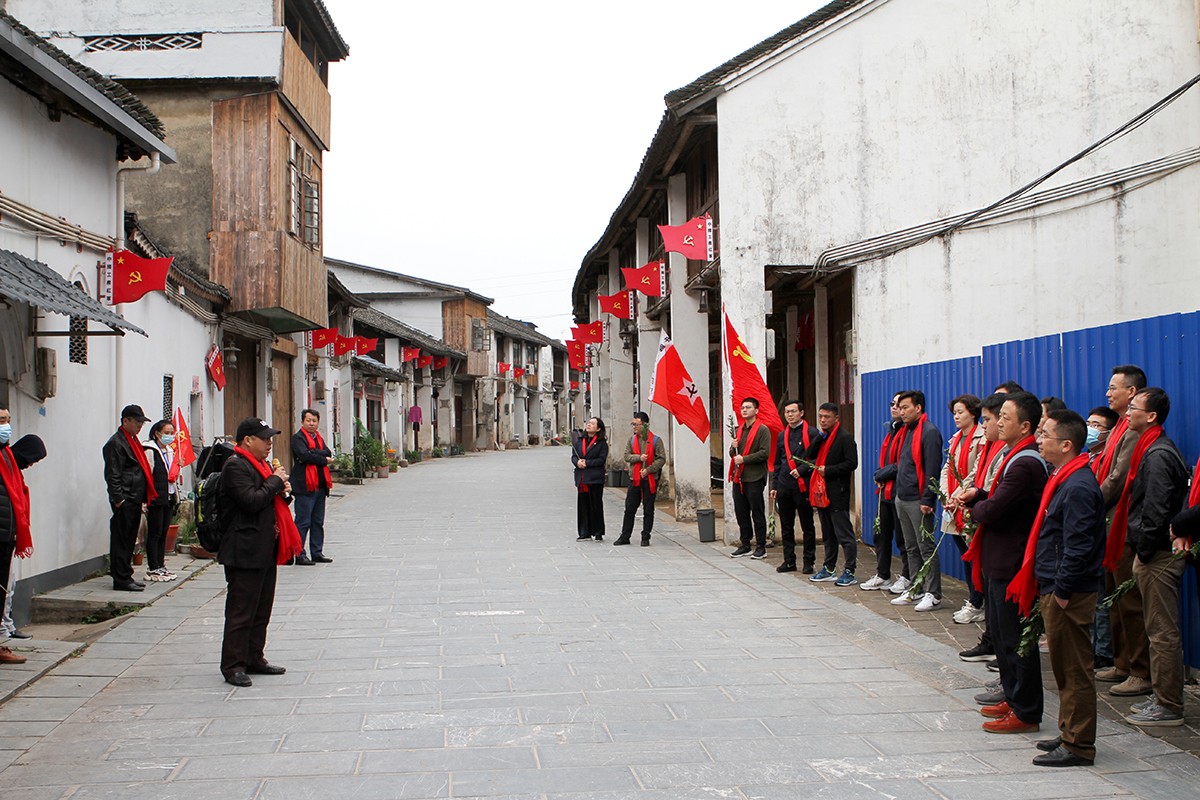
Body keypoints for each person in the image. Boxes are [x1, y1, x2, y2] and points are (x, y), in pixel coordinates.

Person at [1019, 410, 1106, 767]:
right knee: (1064, 667)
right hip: (1057, 585)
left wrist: (1063, 589)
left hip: (1067, 590)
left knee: (1075, 669)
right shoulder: (1065, 478)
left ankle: (1080, 744)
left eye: (1046, 436)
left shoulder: (1079, 485)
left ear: (1067, 445)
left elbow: (1079, 545)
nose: (1040, 440)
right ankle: (1070, 730)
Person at [962, 391, 1048, 734]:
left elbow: (997, 509)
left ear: (1025, 425)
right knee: (1001, 634)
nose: (998, 422)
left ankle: (1026, 710)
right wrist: (980, 495)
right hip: (999, 559)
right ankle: (1013, 698)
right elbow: (995, 498)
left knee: (1015, 639)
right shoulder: (1012, 454)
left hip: (1011, 562)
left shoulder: (1026, 461)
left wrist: (977, 506)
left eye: (1005, 417)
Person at [1119, 388, 1189, 727]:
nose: (1127, 412)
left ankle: (1169, 705)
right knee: (1156, 628)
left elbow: (1157, 508)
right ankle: (1162, 696)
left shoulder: (1158, 454)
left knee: (1162, 632)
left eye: (1133, 407)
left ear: (1151, 416)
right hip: (1152, 550)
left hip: (1158, 554)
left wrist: (1144, 549)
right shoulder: (1150, 449)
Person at [219, 417, 300, 687]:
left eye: (270, 438)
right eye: (264, 438)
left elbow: (270, 499)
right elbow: (251, 501)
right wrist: (275, 482)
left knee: (261, 609)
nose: (269, 443)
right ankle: (233, 665)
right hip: (244, 550)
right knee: (241, 610)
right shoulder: (235, 466)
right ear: (247, 440)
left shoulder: (261, 465)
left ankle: (254, 656)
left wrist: (283, 491)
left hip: (264, 547)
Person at [1094, 365, 1151, 696]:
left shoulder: (1131, 432)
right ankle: (1122, 662)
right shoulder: (1117, 428)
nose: (1108, 393)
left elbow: (1117, 479)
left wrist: (1091, 501)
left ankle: (1140, 671)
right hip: (1109, 525)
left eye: (1114, 387)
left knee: (1128, 601)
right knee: (1114, 598)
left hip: (1123, 526)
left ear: (1131, 392)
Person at [952, 392, 1008, 668]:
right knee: (986, 584)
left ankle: (1001, 648)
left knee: (999, 597)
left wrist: (975, 506)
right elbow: (976, 475)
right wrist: (962, 492)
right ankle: (992, 640)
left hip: (1000, 534)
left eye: (989, 419)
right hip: (980, 518)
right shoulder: (988, 445)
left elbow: (997, 496)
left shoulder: (1015, 455)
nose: (984, 426)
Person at [890, 390, 945, 611]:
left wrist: (928, 499)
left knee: (926, 547)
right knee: (911, 547)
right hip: (902, 497)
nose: (901, 412)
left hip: (918, 500)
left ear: (918, 408)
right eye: (899, 407)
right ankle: (916, 586)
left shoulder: (929, 432)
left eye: (905, 407)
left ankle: (933, 593)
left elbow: (932, 468)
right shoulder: (905, 431)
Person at [940, 394, 986, 623]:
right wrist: (945, 495)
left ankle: (978, 601)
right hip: (953, 505)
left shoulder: (982, 438)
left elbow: (976, 472)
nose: (956, 417)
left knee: (973, 554)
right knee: (964, 554)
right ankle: (974, 598)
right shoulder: (955, 439)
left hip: (968, 503)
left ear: (973, 413)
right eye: (954, 413)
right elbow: (947, 469)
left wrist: (958, 495)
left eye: (961, 412)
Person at [805, 403, 859, 585]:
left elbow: (852, 463)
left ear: (836, 418)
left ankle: (850, 570)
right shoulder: (822, 437)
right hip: (821, 493)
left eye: (827, 417)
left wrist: (829, 470)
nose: (822, 420)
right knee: (828, 534)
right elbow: (809, 454)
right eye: (820, 416)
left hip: (838, 493)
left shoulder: (845, 438)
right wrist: (818, 438)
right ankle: (829, 567)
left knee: (844, 535)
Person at [102, 404, 154, 592]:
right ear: (126, 421)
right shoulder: (116, 443)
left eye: (142, 422)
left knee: (129, 538)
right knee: (121, 539)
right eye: (137, 422)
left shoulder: (132, 441)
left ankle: (126, 574)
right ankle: (121, 578)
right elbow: (113, 474)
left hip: (134, 497)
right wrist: (119, 500)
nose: (140, 426)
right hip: (125, 499)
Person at [1084, 405, 1118, 672]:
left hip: (1102, 534)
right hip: (1091, 535)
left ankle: (1104, 651)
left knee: (1102, 598)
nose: (1090, 429)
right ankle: (1096, 647)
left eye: (1096, 426)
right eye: (1088, 423)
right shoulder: (1088, 459)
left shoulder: (1109, 459)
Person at [1, 435, 44, 643]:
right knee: (5, 586)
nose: (31, 464)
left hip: (10, 535)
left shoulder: (13, 471)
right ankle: (3, 629)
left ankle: (7, 624)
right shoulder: (5, 465)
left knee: (10, 584)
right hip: (4, 535)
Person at [864, 392, 909, 590]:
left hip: (900, 491)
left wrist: (881, 473)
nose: (894, 407)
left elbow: (902, 463)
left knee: (903, 537)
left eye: (899, 404)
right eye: (892, 403)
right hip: (885, 492)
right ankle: (883, 574)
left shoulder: (908, 432)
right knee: (880, 534)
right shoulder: (890, 430)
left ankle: (907, 576)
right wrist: (879, 473)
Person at [0, 408, 33, 665]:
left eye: (9, 420)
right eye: (2, 421)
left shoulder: (7, 454)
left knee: (3, 591)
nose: (7, 426)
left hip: (7, 534)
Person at [771, 400, 817, 573]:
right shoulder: (783, 435)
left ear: (801, 413)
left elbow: (816, 459)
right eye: (787, 412)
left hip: (803, 485)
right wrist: (775, 484)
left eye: (793, 412)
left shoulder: (812, 433)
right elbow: (778, 461)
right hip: (784, 485)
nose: (790, 415)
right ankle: (789, 560)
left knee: (807, 525)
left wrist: (802, 469)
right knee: (786, 525)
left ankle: (808, 561)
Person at [290, 409, 334, 565]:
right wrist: (322, 458)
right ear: (302, 422)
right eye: (308, 420)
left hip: (320, 486)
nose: (311, 423)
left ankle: (317, 552)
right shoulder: (298, 438)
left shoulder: (319, 438)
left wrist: (314, 452)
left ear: (318, 422)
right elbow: (304, 456)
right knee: (303, 521)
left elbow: (327, 452)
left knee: (317, 522)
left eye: (314, 421)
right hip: (305, 486)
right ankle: (299, 553)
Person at [729, 398, 771, 560]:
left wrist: (744, 459)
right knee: (741, 511)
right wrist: (733, 448)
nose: (744, 410)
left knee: (757, 512)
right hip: (739, 477)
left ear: (756, 410)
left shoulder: (762, 430)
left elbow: (764, 453)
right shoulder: (739, 430)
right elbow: (733, 455)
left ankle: (761, 545)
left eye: (748, 407)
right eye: (743, 408)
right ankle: (745, 543)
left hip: (754, 477)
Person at [617, 411, 665, 547]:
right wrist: (639, 457)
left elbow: (661, 459)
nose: (634, 427)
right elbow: (626, 456)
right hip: (635, 478)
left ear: (644, 425)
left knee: (648, 509)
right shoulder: (631, 440)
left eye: (636, 424)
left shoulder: (656, 440)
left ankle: (645, 536)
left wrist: (648, 469)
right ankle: (625, 536)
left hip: (649, 478)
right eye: (633, 424)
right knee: (630, 508)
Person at [141, 420, 180, 583]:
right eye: (167, 433)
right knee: (155, 532)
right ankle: (153, 567)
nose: (170, 436)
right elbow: (147, 474)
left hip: (168, 496)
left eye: (172, 433)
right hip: (155, 497)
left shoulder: (170, 451)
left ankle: (161, 565)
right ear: (157, 433)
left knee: (163, 532)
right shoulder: (150, 450)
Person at [573, 418, 608, 541]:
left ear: (598, 429)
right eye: (588, 423)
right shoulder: (579, 441)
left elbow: (601, 460)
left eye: (592, 424)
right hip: (582, 478)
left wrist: (587, 463)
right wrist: (577, 462)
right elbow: (573, 456)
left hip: (595, 478)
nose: (589, 425)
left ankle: (598, 531)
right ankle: (584, 532)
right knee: (582, 505)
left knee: (596, 505)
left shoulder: (601, 443)